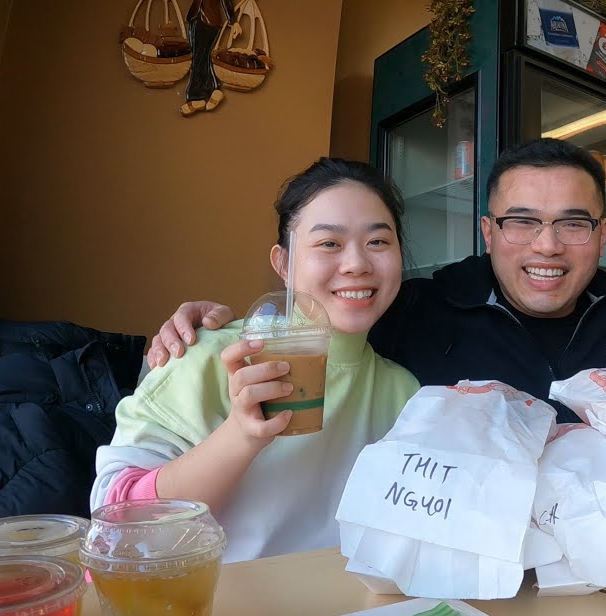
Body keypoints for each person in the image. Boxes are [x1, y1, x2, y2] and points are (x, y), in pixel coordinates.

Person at [149, 139, 606, 422]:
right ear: (488, 231)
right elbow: (329, 310)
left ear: (602, 234)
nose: (547, 245)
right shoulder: (416, 310)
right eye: (522, 222)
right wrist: (212, 328)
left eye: (573, 224)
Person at [92, 159, 420, 562]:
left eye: (378, 242)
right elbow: (114, 526)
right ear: (283, 264)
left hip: (351, 614)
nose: (356, 263)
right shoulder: (210, 354)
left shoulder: (405, 393)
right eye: (329, 243)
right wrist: (240, 436)